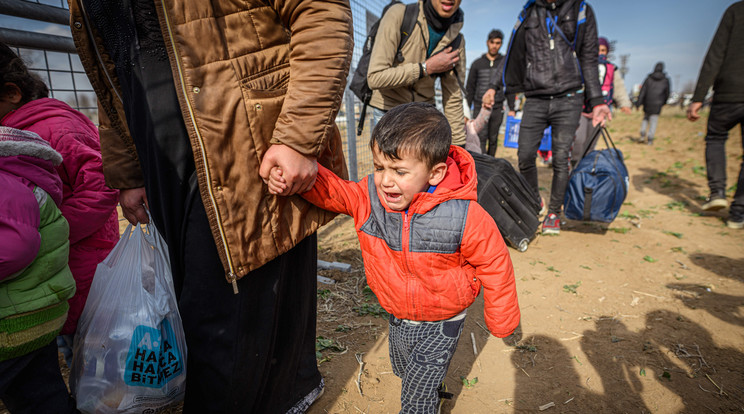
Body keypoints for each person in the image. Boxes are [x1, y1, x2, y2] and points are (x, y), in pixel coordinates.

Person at [68, 1, 352, 412]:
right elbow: (110, 86)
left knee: (224, 300)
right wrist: (127, 170)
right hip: (158, 151)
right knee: (193, 298)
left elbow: (319, 10)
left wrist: (298, 137)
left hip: (243, 136)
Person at [267, 102, 520, 413]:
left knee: (415, 393)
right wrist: (301, 176)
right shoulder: (369, 199)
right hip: (398, 312)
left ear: (435, 172)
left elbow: (495, 264)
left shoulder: (466, 216)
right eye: (379, 167)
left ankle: (424, 399)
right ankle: (429, 383)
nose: (386, 180)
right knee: (403, 368)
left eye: (400, 171)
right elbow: (335, 192)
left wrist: (502, 319)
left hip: (443, 318)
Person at [0, 43, 120, 366]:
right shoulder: (27, 131)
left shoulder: (51, 128)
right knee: (75, 351)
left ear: (11, 92)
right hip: (64, 264)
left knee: (97, 352)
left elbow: (103, 183)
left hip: (82, 262)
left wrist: (54, 227)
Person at [483, 0, 611, 235]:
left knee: (561, 158)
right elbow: (512, 56)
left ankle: (554, 212)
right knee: (525, 155)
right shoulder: (528, 13)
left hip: (570, 96)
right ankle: (535, 200)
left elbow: (589, 58)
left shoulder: (580, 10)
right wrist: (494, 87)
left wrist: (597, 101)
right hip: (536, 97)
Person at [0, 126, 78, 413]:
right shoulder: (17, 177)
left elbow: (15, 247)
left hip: (12, 320)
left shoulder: (5, 183)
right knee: (41, 398)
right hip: (35, 312)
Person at [368, 0, 467, 146]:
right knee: (391, 166)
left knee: (422, 168)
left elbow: (453, 96)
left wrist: (459, 146)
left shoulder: (457, 40)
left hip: (424, 116)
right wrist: (426, 68)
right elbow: (375, 77)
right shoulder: (399, 15)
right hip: (389, 111)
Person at [687, 1, 744, 229]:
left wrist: (699, 96)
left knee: (716, 137)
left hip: (728, 92)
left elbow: (715, 54)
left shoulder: (736, 10)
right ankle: (738, 212)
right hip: (729, 92)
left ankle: (717, 191)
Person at [571, 36, 633, 167]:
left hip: (599, 113)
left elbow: (619, 87)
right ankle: (574, 165)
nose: (600, 53)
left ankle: (585, 168)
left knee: (590, 143)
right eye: (597, 49)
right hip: (581, 110)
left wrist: (625, 104)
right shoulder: (583, 65)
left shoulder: (612, 69)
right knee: (578, 140)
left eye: (603, 50)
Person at [465, 29, 513, 155]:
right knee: (479, 137)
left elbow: (510, 86)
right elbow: (470, 88)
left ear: (501, 44)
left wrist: (512, 108)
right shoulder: (477, 64)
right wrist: (466, 112)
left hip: (497, 107)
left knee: (493, 138)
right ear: (487, 43)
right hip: (479, 108)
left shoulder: (504, 64)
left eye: (498, 43)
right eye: (492, 42)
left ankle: (491, 163)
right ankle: (480, 165)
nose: (494, 46)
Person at [636, 62, 671, 145]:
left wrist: (638, 103)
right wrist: (664, 102)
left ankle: (642, 134)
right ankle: (650, 139)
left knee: (645, 118)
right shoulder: (665, 80)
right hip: (658, 104)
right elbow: (667, 93)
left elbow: (642, 92)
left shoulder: (649, 79)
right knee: (653, 121)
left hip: (648, 102)